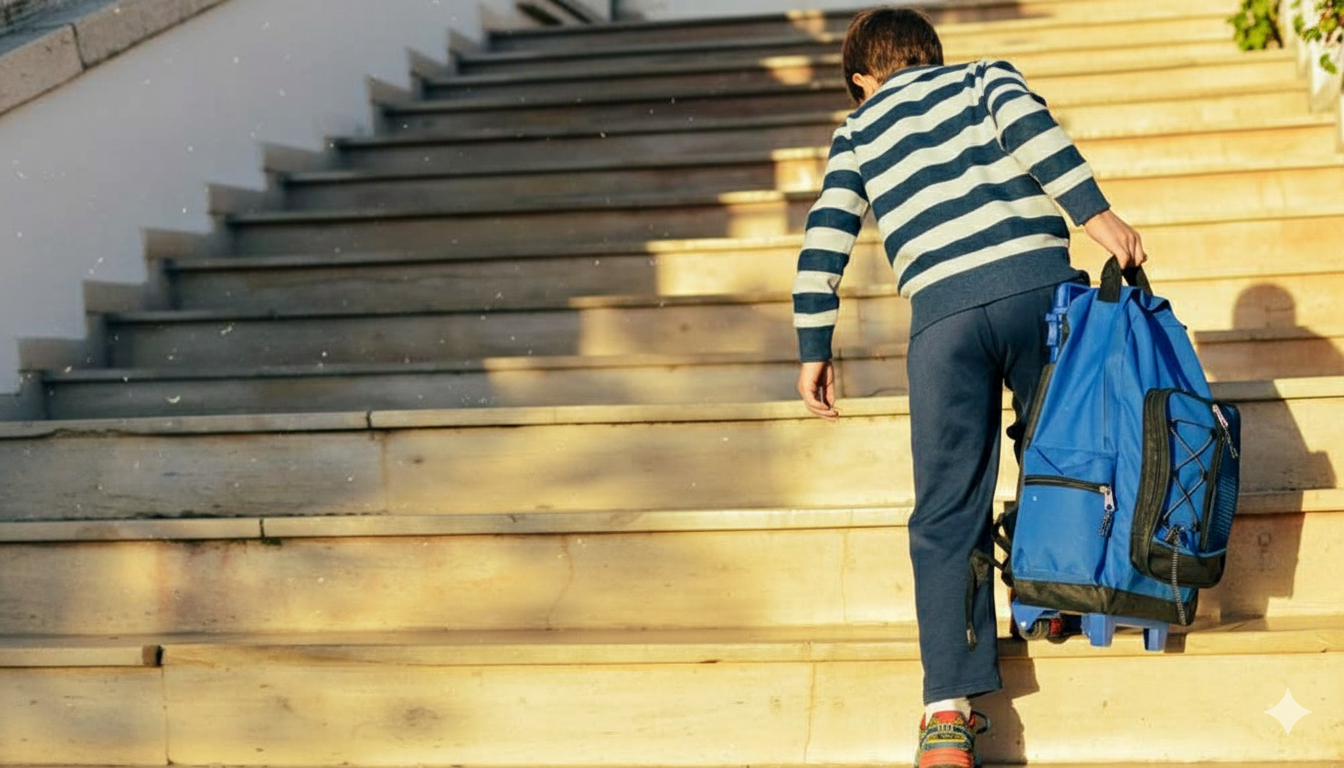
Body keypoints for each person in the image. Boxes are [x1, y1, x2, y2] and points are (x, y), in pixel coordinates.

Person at [791, 7, 1146, 768]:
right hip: (1040, 293)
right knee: (1059, 453)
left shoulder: (856, 132)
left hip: (942, 321)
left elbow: (826, 236)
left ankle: (946, 712)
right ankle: (1055, 594)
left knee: (948, 504)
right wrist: (1096, 215)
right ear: (932, 55)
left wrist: (814, 345)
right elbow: (1033, 133)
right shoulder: (985, 77)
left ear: (862, 79)